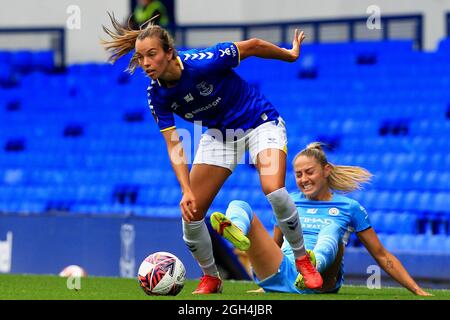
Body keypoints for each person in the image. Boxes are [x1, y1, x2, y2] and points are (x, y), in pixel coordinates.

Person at [101, 15, 322, 293]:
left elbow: (252, 45)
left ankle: (303, 260)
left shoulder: (205, 60)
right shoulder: (156, 95)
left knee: (274, 190)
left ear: (170, 53)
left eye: (152, 55)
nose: (145, 63)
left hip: (259, 121)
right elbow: (174, 144)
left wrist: (289, 55)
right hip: (220, 135)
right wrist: (186, 190)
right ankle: (211, 277)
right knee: (191, 214)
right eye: (141, 57)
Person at [210, 142, 432, 296]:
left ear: (326, 170)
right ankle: (236, 231)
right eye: (298, 175)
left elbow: (382, 255)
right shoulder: (288, 201)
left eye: (309, 172)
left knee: (331, 230)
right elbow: (275, 244)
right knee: (239, 206)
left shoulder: (349, 207)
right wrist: (267, 282)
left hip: (322, 281)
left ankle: (313, 264)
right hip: (283, 270)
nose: (303, 179)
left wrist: (416, 289)